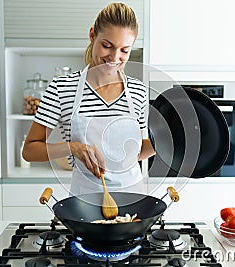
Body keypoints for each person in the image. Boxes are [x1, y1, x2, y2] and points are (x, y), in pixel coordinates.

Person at [22, 2, 155, 196]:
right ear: (93, 35)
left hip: (133, 198)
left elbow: (134, 154)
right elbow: (30, 151)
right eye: (107, 46)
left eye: (124, 50)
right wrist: (72, 148)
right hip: (84, 202)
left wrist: (165, 144)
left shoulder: (138, 91)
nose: (114, 57)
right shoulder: (62, 88)